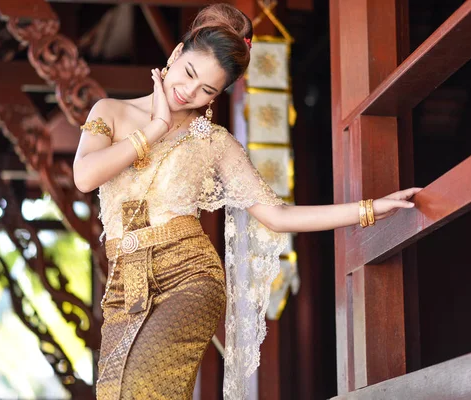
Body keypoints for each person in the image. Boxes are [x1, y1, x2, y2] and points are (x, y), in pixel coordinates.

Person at [73, 3, 421, 399]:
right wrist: (155, 128)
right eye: (188, 73)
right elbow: (84, 176)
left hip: (189, 277)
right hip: (125, 285)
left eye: (206, 89)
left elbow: (276, 214)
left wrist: (370, 209)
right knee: (116, 392)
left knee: (145, 389)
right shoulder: (111, 112)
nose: (188, 91)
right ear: (174, 56)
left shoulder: (214, 142)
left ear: (215, 96)